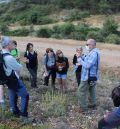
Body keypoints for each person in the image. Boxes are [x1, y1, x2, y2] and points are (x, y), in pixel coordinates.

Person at [1, 36, 32, 123]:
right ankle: (24, 116)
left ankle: (15, 112)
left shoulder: (1, 53)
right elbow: (19, 67)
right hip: (14, 79)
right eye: (11, 43)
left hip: (7, 79)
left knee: (12, 93)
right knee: (25, 95)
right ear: (7, 45)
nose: (13, 44)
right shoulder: (9, 58)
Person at [77, 39, 100, 112]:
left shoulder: (93, 54)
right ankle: (93, 103)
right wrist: (82, 56)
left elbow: (87, 65)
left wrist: (79, 58)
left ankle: (83, 108)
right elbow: (87, 60)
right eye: (86, 44)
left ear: (93, 45)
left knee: (81, 91)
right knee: (91, 89)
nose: (86, 46)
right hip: (92, 76)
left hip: (88, 77)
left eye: (88, 44)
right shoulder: (92, 52)